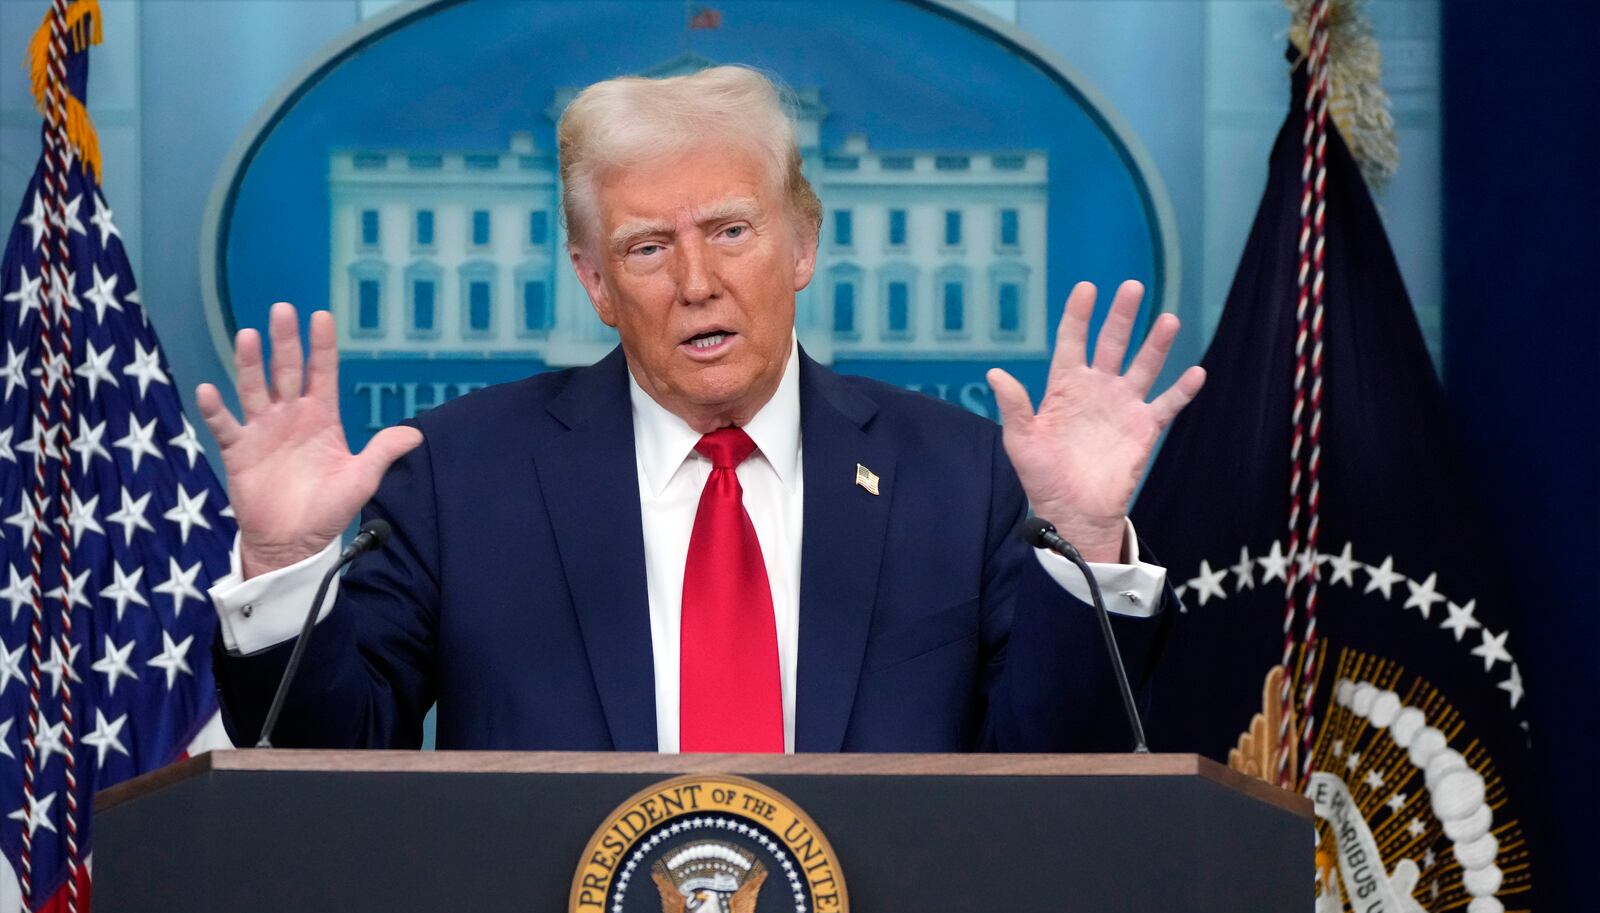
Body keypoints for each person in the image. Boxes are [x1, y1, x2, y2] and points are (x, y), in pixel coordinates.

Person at [197, 66, 1206, 753]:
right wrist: (287, 569)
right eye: (646, 247)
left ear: (801, 246)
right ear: (595, 282)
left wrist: (1076, 534)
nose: (696, 281)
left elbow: (1062, 770)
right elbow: (324, 766)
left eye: (731, 230)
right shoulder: (462, 475)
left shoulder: (962, 474)